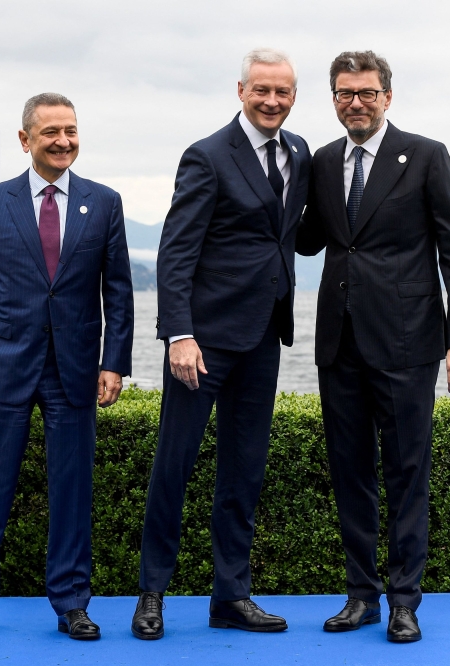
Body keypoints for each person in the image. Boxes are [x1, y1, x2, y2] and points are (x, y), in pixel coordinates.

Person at [296, 51, 450, 643]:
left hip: (408, 342)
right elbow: (307, 239)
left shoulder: (425, 155)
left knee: (406, 473)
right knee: (349, 473)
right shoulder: (322, 161)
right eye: (345, 93)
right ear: (334, 99)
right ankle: (361, 596)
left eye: (367, 93)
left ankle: (404, 601)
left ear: (387, 97)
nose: (356, 103)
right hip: (339, 343)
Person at [0, 93, 134, 641]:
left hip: (75, 369)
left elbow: (118, 291)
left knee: (72, 490)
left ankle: (72, 604)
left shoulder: (105, 202)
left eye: (71, 130)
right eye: (51, 132)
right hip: (3, 365)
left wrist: (113, 362)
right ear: (25, 140)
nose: (63, 141)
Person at [131, 48, 311, 640]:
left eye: (282, 92)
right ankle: (151, 594)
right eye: (262, 90)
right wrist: (179, 334)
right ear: (240, 91)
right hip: (202, 343)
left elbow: (294, 234)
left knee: (245, 471)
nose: (272, 101)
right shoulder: (206, 155)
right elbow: (176, 250)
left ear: (293, 96)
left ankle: (231, 596)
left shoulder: (299, 152)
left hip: (264, 336)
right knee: (174, 466)